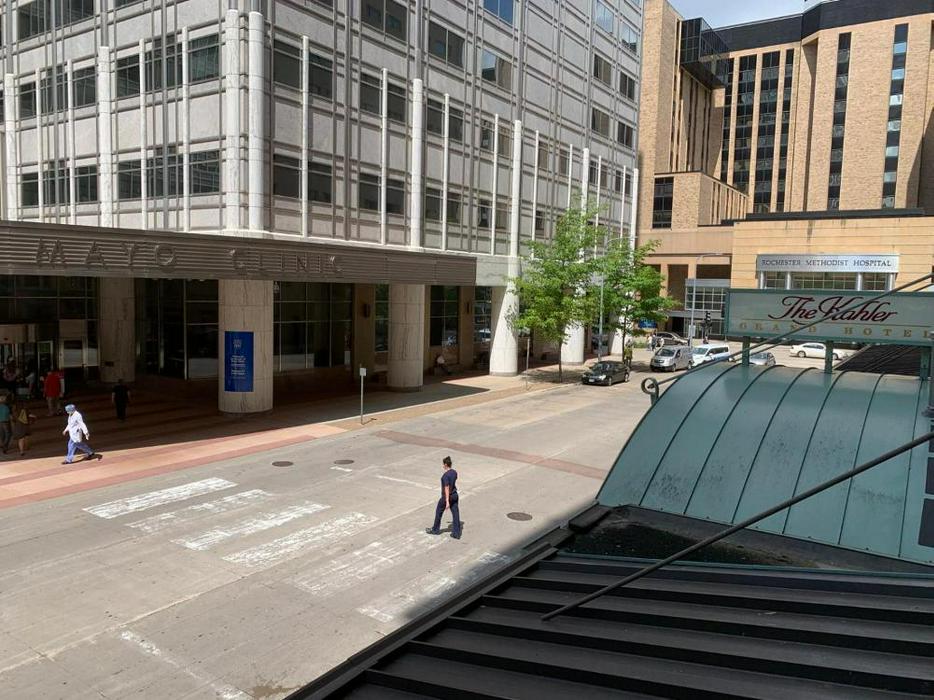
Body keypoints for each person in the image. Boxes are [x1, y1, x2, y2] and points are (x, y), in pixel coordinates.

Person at [426, 455, 461, 539]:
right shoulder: (454, 472)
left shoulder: (445, 476)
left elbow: (446, 487)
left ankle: (435, 530)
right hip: (455, 495)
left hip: (447, 496)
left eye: (443, 464)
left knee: (439, 511)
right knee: (455, 513)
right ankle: (456, 533)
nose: (443, 466)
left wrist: (447, 501)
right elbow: (454, 480)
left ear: (445, 464)